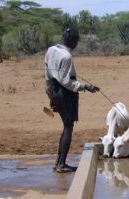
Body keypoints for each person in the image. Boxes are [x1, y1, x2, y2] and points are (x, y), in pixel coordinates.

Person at [45, 28, 99, 173]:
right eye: (76, 41)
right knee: (68, 128)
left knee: (66, 126)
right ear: (70, 40)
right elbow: (66, 81)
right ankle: (62, 164)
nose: (76, 44)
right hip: (66, 94)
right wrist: (85, 86)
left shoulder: (51, 50)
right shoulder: (67, 57)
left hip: (56, 92)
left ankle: (58, 162)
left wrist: (51, 97)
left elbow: (48, 77)